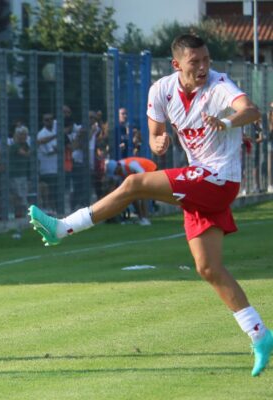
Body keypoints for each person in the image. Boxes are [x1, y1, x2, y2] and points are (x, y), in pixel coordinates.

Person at [28, 34, 273, 377]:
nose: (203, 67)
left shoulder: (219, 84)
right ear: (177, 65)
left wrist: (228, 121)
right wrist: (158, 141)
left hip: (219, 180)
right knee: (209, 269)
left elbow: (251, 109)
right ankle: (260, 335)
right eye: (195, 62)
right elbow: (156, 135)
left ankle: (63, 227)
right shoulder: (161, 89)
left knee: (134, 184)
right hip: (198, 181)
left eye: (206, 60)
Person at [105, 156, 157, 226]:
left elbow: (143, 175)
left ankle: (145, 219)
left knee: (143, 194)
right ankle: (141, 218)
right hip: (140, 174)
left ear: (117, 168)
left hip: (151, 170)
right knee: (132, 197)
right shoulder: (120, 170)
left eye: (115, 172)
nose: (115, 175)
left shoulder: (131, 164)